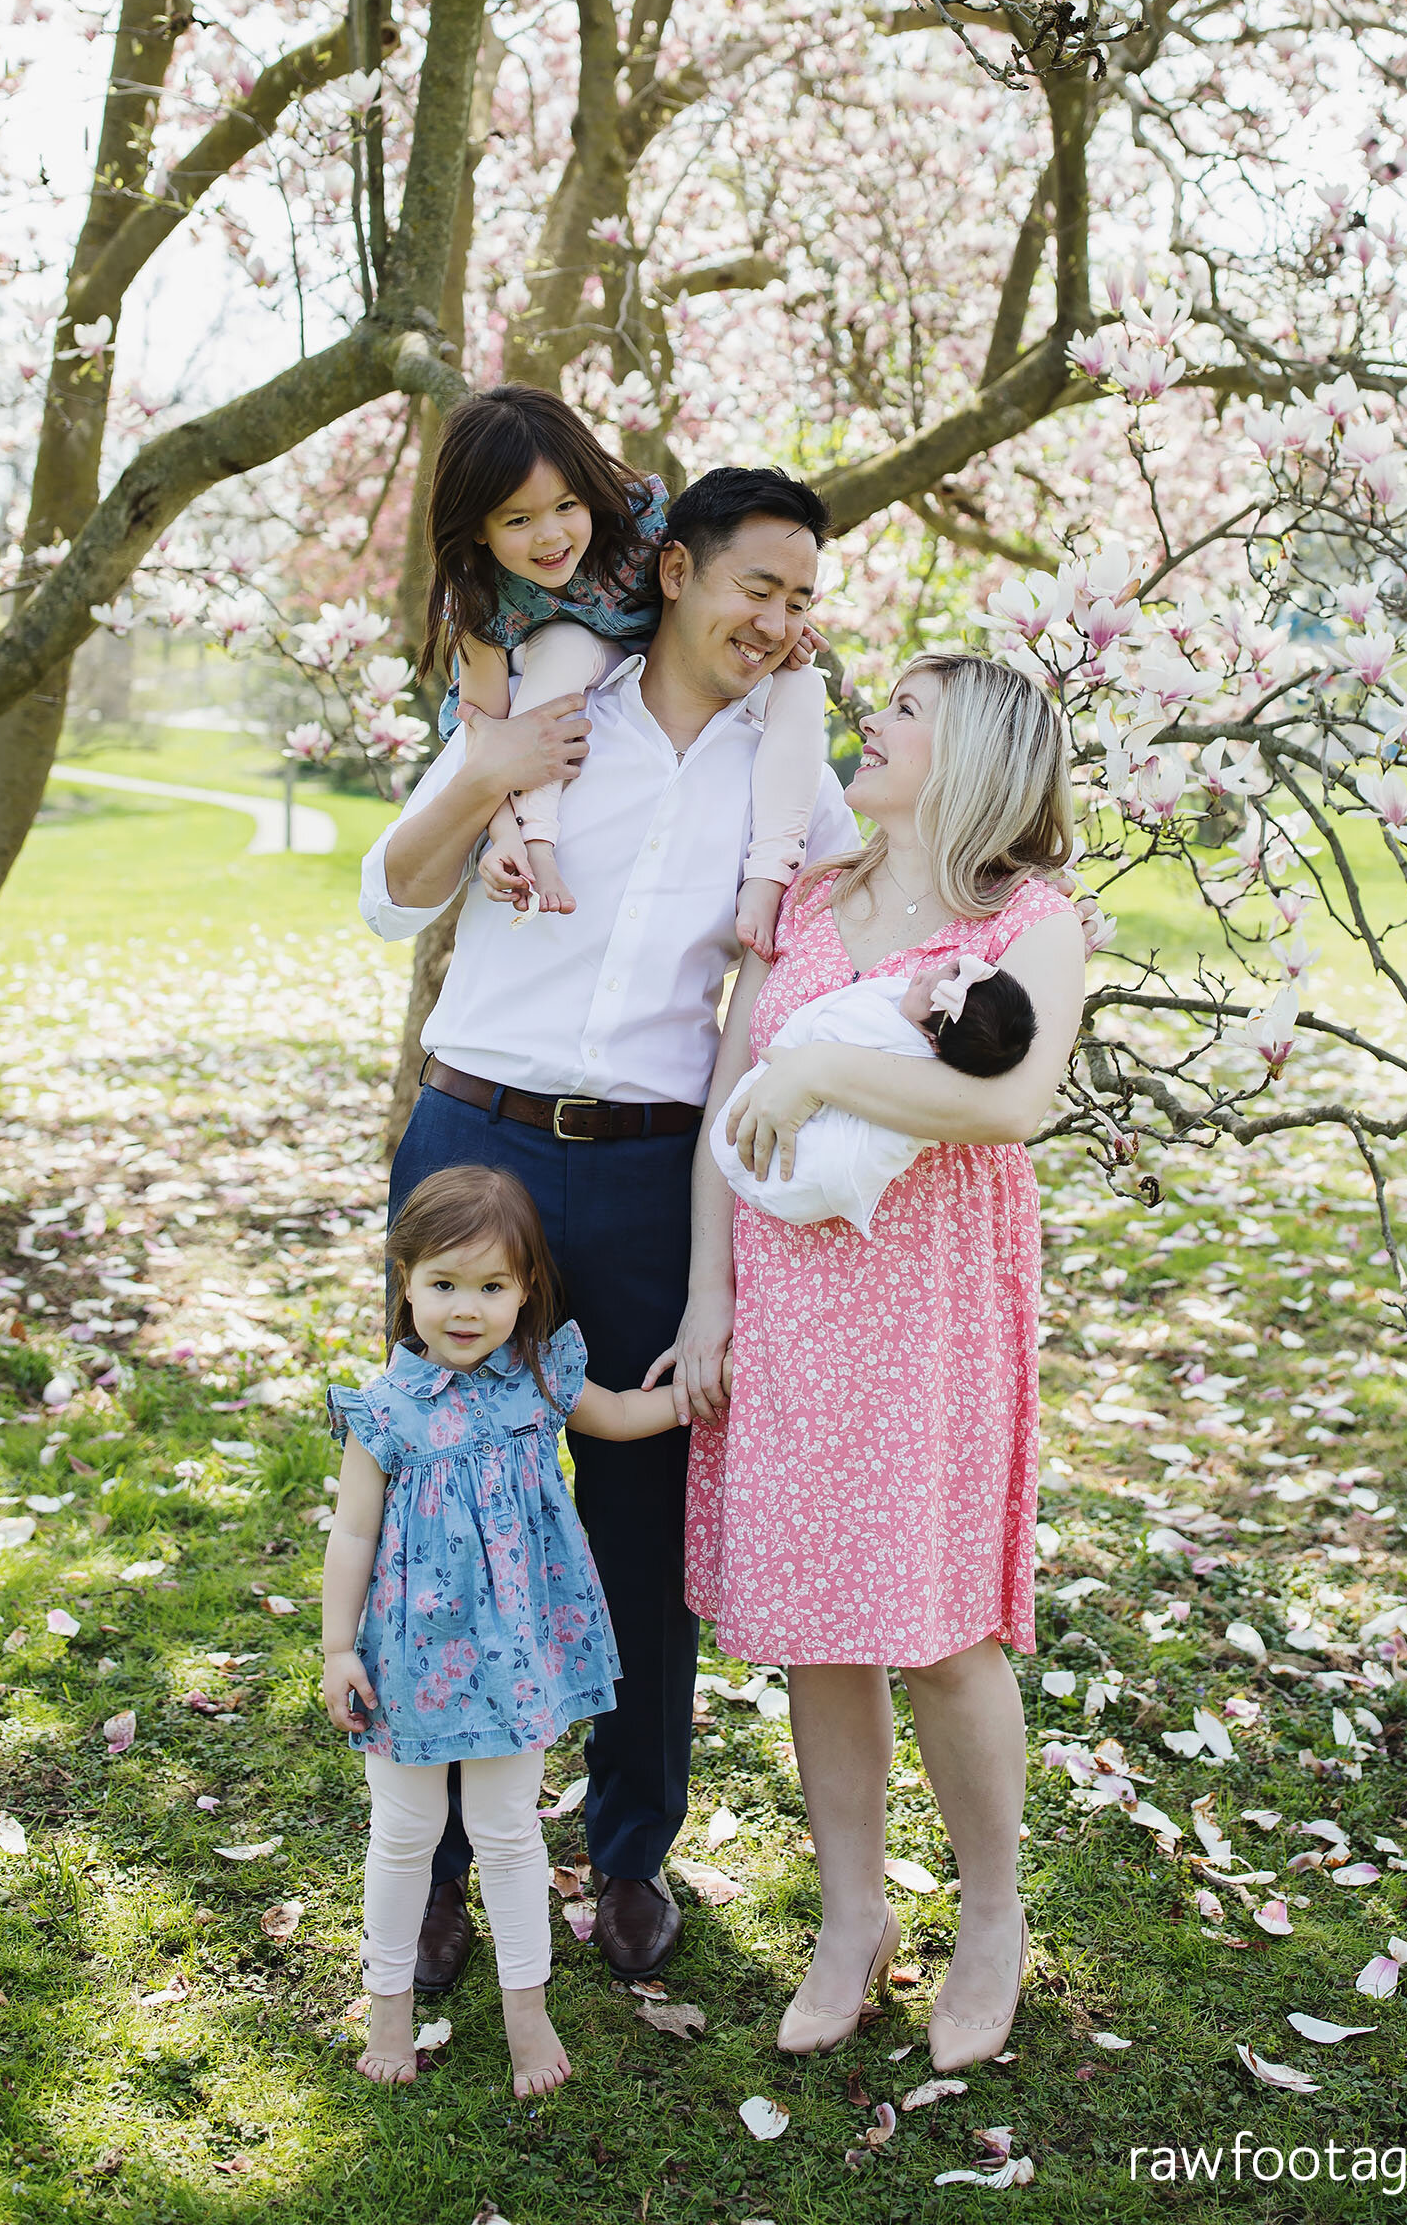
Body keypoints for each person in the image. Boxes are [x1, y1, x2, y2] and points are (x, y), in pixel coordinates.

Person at [358, 460, 858, 1988]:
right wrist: (480, 769)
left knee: (642, 1521)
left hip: (650, 1166)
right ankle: (434, 1865)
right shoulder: (561, 696)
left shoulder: (792, 764)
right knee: (446, 1506)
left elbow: (861, 917)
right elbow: (392, 894)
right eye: (754, 586)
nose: (776, 622)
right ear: (678, 571)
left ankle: (630, 1852)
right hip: (478, 1140)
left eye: (801, 597)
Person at [675, 655, 1087, 2068]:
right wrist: (709, 1298)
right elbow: (727, 1110)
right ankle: (853, 1918)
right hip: (788, 1304)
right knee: (817, 1622)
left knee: (941, 1631)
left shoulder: (1032, 922)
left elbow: (1015, 1101)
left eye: (906, 711)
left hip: (929, 1305)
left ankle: (989, 1918)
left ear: (973, 752)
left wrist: (823, 1071)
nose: (872, 723)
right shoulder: (803, 904)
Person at [320, 1165, 682, 2094]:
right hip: (412, 1663)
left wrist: (696, 1394)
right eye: (443, 1284)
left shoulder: (540, 1381)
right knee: (403, 1833)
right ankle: (388, 2006)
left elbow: (623, 1416)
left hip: (518, 1656)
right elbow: (354, 1532)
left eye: (492, 1286)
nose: (467, 1309)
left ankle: (528, 2011)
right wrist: (335, 1649)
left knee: (509, 1831)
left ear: (528, 1291)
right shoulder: (384, 1410)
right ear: (405, 1284)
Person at [419, 382, 828, 957]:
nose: (551, 536)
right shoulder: (480, 604)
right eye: (517, 520)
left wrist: (775, 621)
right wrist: (504, 837)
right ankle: (541, 840)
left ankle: (767, 875)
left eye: (566, 506)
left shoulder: (638, 526)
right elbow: (486, 741)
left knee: (803, 685)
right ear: (477, 530)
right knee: (561, 642)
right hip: (577, 665)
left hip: (659, 657)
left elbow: (712, 581)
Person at [712, 952, 1037, 1237]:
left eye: (924, 991)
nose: (920, 975)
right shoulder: (912, 1010)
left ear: (934, 1043)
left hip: (831, 1180)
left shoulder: (892, 1036)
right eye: (931, 974)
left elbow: (834, 1027)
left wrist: (810, 1065)